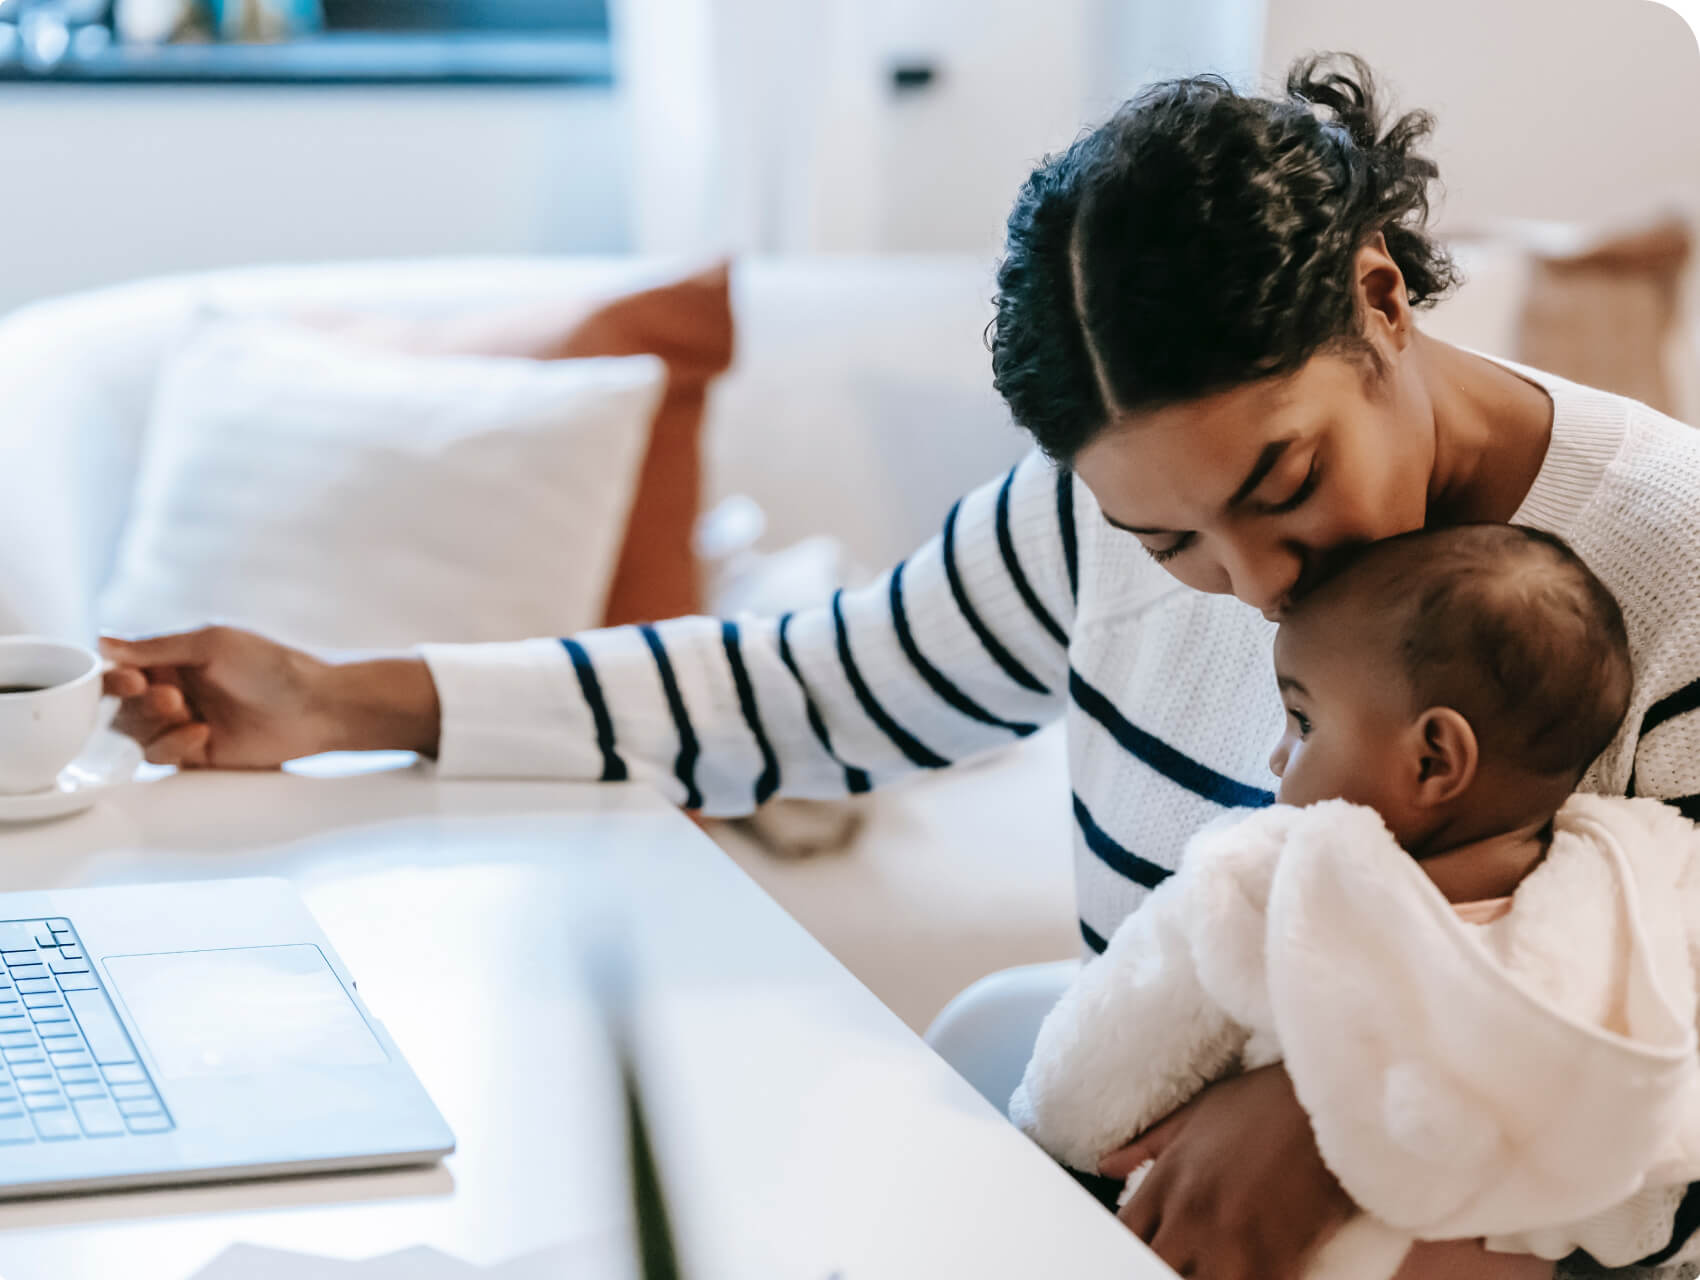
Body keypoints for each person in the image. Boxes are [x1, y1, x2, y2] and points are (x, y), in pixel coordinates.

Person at [100, 53, 1700, 1279]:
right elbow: (814, 692)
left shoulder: (1670, 568)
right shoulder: (1083, 528)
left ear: (1380, 300)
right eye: (1173, 544)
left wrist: (1359, 1126)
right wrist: (337, 699)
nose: (1257, 587)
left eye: (1281, 488)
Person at [1012, 524, 1700, 1279]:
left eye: (1302, 721)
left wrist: (1050, 1132)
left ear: (1433, 759)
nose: (1277, 755)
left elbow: (1096, 1076)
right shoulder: (1634, 892)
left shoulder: (1282, 881)